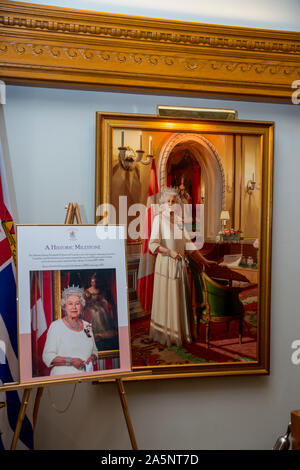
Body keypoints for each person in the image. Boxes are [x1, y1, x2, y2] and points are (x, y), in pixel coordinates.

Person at [148, 187, 213, 347]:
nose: (170, 204)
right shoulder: (158, 219)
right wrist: (170, 252)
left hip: (180, 265)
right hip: (166, 265)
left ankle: (181, 333)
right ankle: (167, 334)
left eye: (173, 201)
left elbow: (188, 244)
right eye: (167, 201)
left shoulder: (178, 220)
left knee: (179, 298)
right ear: (162, 203)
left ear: (177, 204)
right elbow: (152, 245)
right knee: (168, 299)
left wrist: (204, 260)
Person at [42, 286, 98, 376]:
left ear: (82, 305)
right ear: (64, 306)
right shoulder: (56, 326)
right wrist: (71, 361)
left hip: (86, 377)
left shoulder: (87, 327)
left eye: (77, 303)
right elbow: (47, 356)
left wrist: (92, 358)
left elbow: (94, 350)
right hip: (62, 379)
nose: (74, 307)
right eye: (70, 303)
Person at [83, 273, 119, 351]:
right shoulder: (88, 290)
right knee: (95, 313)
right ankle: (95, 333)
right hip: (90, 307)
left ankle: (103, 332)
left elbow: (100, 299)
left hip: (98, 305)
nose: (94, 283)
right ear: (90, 282)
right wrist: (91, 304)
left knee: (102, 310)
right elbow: (86, 302)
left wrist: (105, 301)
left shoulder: (98, 290)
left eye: (95, 282)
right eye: (92, 282)